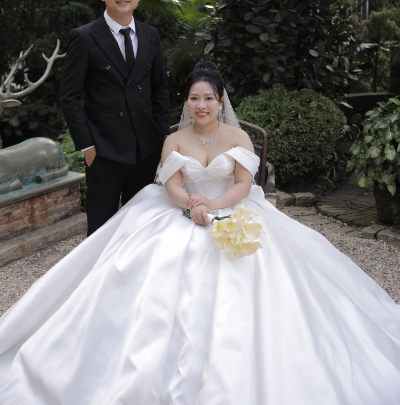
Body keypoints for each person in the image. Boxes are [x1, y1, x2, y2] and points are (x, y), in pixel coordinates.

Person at [0, 61, 400, 404]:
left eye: (209, 98)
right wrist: (192, 204)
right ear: (186, 102)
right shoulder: (174, 138)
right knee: (141, 263)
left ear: (221, 101)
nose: (201, 105)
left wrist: (214, 205)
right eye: (194, 98)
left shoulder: (238, 137)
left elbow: (244, 184)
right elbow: (172, 186)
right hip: (181, 209)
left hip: (232, 207)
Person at [59, 0, 170, 235]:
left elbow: (160, 89)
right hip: (104, 151)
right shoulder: (84, 37)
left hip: (146, 150)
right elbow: (69, 97)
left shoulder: (150, 35)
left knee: (141, 229)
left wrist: (161, 136)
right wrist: (88, 147)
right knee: (101, 230)